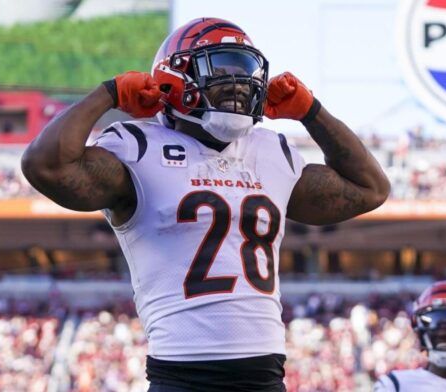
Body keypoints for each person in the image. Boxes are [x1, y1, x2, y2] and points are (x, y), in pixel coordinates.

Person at [22, 17, 390, 391]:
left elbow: (370, 188)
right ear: (175, 78)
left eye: (244, 71)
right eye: (220, 68)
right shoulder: (138, 145)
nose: (239, 84)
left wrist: (312, 111)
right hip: (182, 375)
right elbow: (45, 166)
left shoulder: (271, 151)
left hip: (264, 377)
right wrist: (107, 94)